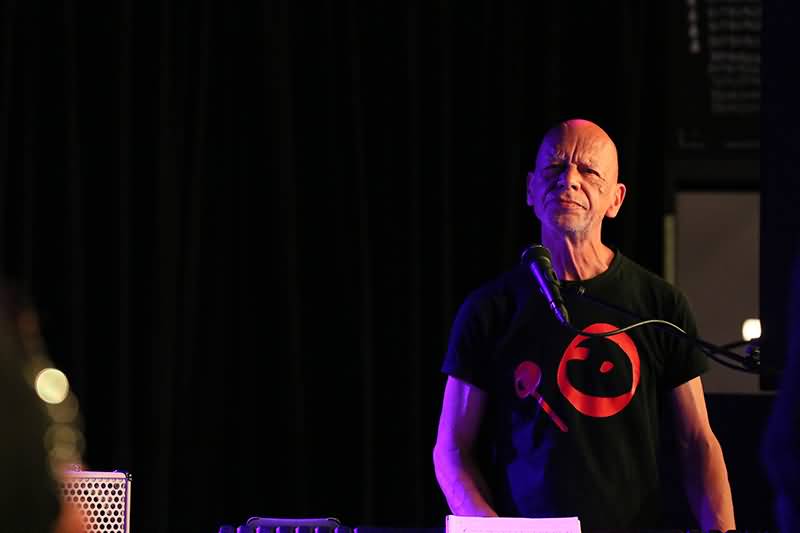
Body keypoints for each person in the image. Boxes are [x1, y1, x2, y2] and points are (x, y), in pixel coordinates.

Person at [433, 119, 735, 531]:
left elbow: (698, 442)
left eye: (589, 171)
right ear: (530, 189)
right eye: (555, 167)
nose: (569, 180)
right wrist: (491, 527)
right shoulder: (490, 309)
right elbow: (452, 449)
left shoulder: (659, 304)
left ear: (616, 199)